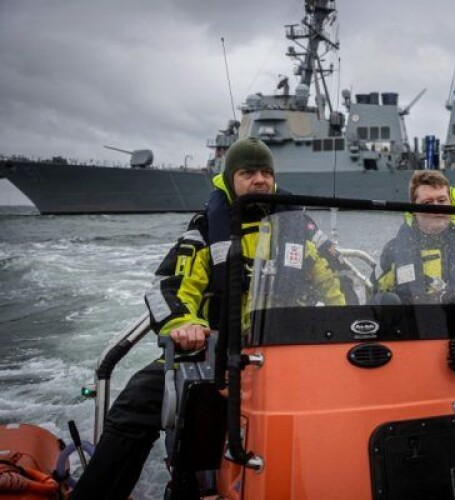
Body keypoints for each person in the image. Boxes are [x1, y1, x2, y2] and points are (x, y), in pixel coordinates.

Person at [72, 137, 345, 499]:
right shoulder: (205, 231)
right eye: (248, 173)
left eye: (266, 172)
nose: (260, 180)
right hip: (212, 351)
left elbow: (337, 284)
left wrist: (348, 323)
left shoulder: (297, 230)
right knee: (136, 404)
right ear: (231, 178)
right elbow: (170, 290)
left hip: (285, 352)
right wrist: (187, 325)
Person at [377, 170, 455, 304]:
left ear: (451, 203)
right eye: (427, 203)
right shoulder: (394, 252)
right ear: (413, 209)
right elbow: (375, 298)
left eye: (441, 200)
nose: (437, 207)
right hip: (412, 322)